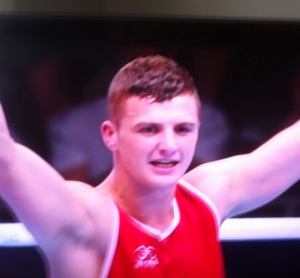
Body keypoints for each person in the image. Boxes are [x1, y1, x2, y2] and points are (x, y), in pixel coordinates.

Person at [0, 55, 299, 278]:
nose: (169, 145)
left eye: (183, 129)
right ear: (110, 134)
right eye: (149, 129)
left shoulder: (208, 196)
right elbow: (4, 157)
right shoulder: (89, 222)